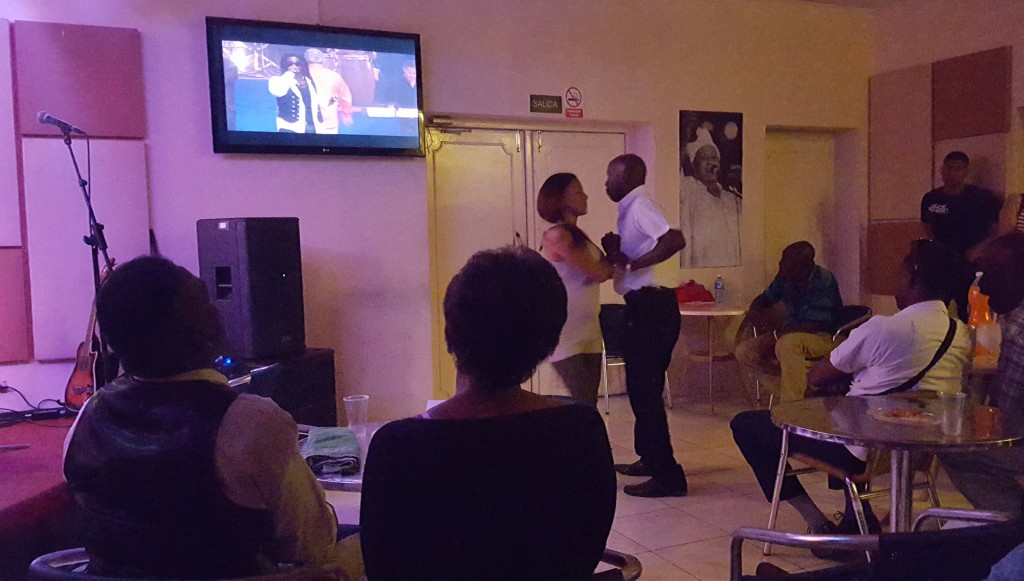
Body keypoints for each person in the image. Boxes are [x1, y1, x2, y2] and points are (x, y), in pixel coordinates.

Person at [63, 256, 350, 579]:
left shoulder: (87, 418)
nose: (217, 311)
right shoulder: (251, 422)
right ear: (198, 331)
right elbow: (311, 545)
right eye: (205, 302)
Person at [359, 247, 616, 581]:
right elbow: (585, 549)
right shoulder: (582, 429)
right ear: (550, 339)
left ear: (451, 331)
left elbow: (383, 569)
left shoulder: (397, 447)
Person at [732, 239, 970, 557]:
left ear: (912, 277)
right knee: (849, 409)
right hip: (921, 450)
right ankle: (858, 516)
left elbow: (816, 376)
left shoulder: (883, 329)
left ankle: (818, 525)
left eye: (899, 274)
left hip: (863, 449)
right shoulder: (961, 333)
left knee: (748, 426)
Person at [600, 154, 689, 498]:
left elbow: (674, 239)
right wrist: (618, 254)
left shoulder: (640, 204)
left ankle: (668, 476)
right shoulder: (629, 208)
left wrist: (633, 263)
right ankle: (650, 459)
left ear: (626, 176)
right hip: (643, 307)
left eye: (611, 176)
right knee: (640, 389)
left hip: (653, 308)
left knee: (645, 392)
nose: (606, 183)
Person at [941, 233, 1024, 517]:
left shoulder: (1018, 329)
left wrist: (974, 383)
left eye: (992, 274)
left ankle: (1011, 523)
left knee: (955, 450)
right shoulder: (1011, 314)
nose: (982, 286)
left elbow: (1003, 417)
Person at [536, 173, 614, 408]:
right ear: (560, 198)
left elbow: (605, 271)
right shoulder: (557, 235)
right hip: (567, 333)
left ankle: (587, 444)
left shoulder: (579, 237)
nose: (585, 196)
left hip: (589, 329)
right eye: (578, 192)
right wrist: (613, 256)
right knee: (579, 403)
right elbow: (599, 272)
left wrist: (611, 258)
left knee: (588, 401)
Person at [734, 241, 843, 402]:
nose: (781, 264)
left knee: (787, 344)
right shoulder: (785, 279)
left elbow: (816, 324)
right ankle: (800, 395)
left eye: (787, 262)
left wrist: (775, 336)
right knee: (745, 351)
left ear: (804, 266)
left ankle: (791, 408)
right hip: (790, 336)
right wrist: (755, 312)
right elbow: (764, 299)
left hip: (824, 337)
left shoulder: (823, 280)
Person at [680, 140, 742, 268]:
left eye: (714, 158)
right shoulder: (690, 189)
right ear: (694, 165)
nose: (710, 163)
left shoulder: (730, 198)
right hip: (702, 268)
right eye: (704, 158)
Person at [268, 53, 323, 133]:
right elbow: (278, 91)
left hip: (312, 127)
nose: (294, 66)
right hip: (289, 127)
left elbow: (320, 102)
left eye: (297, 63)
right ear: (285, 66)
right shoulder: (277, 80)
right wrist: (289, 73)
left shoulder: (311, 82)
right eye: (289, 64)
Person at [304, 48, 353, 132]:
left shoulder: (300, 75)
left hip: (305, 124)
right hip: (329, 124)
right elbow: (345, 97)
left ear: (305, 60)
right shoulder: (334, 76)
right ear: (323, 60)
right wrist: (347, 115)